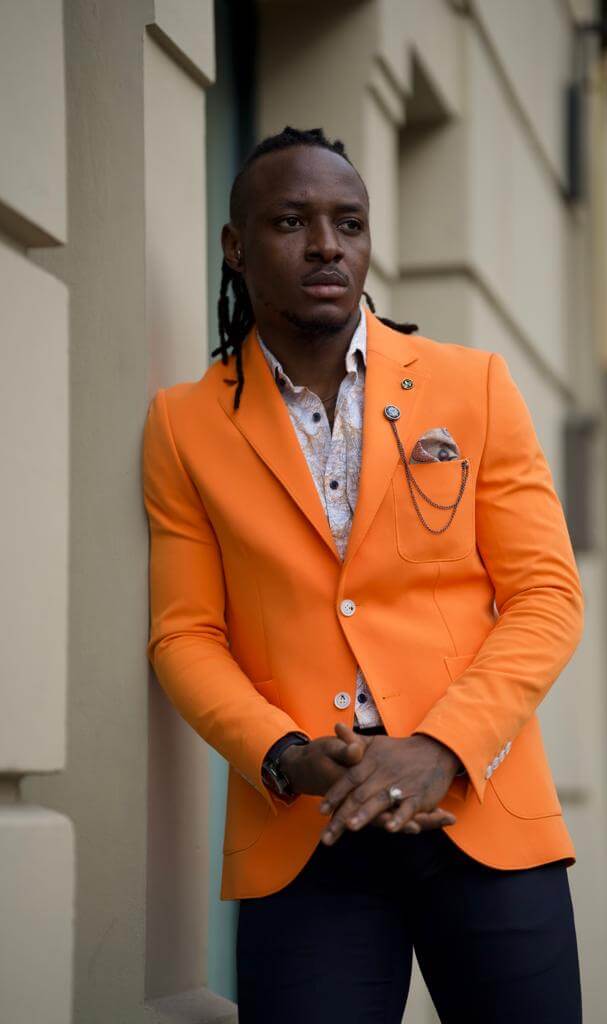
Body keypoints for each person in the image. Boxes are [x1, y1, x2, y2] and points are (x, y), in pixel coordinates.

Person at [142, 126, 584, 1022]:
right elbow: (185, 634)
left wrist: (440, 747)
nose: (325, 245)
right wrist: (285, 756)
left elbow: (545, 597)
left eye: (348, 223)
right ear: (235, 248)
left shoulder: (472, 386)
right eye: (290, 222)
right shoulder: (184, 424)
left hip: (479, 809)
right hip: (306, 831)